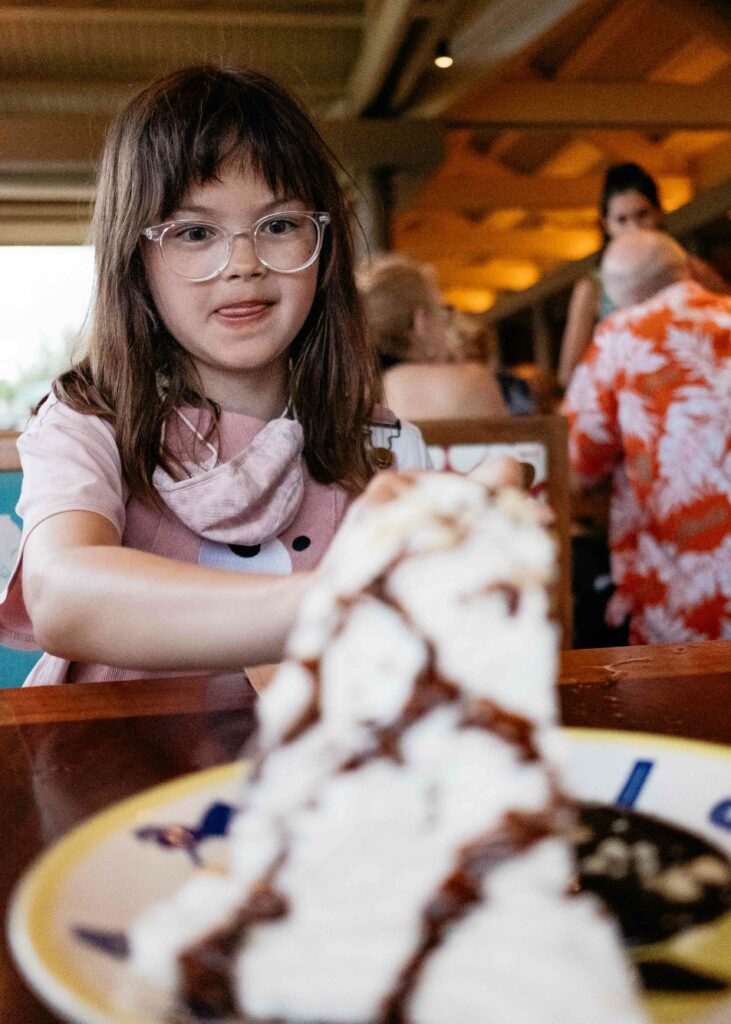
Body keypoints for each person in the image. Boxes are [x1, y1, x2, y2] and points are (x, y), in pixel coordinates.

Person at [0, 65, 439, 686]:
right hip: (107, 771)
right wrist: (332, 604)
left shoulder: (387, 447)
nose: (242, 263)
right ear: (135, 257)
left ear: (326, 242)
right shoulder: (91, 423)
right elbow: (61, 594)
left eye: (280, 225)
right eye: (195, 232)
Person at [563, 228, 731, 645]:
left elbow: (577, 466)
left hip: (685, 608)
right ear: (689, 269)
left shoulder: (620, 337)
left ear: (615, 298)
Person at [557, 162, 730, 389]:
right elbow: (568, 375)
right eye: (622, 219)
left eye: (642, 214)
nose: (634, 227)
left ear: (659, 212)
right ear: (606, 226)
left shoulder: (692, 270)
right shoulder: (592, 288)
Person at [356, 252, 507, 421]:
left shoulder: (342, 399)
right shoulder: (471, 385)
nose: (447, 331)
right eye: (443, 315)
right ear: (422, 324)